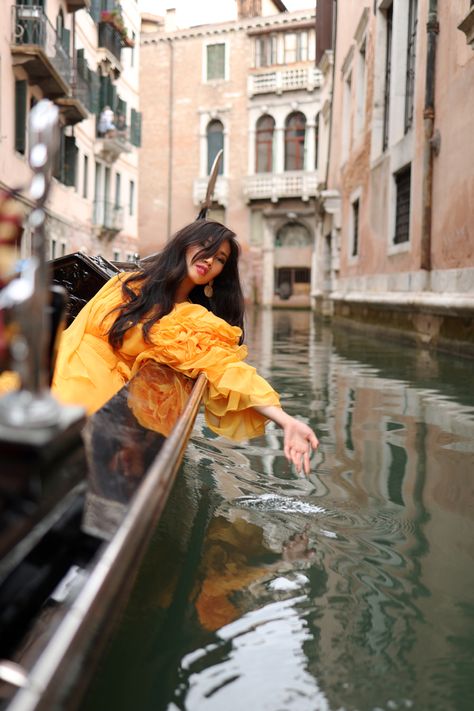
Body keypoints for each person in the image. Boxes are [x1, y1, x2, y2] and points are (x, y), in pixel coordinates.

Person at [52, 220, 319, 474]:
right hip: (64, 359)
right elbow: (77, 330)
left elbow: (228, 370)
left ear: (219, 274)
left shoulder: (193, 321)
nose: (210, 260)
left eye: (220, 259)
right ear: (185, 244)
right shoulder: (126, 284)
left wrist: (286, 420)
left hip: (102, 388)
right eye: (205, 247)